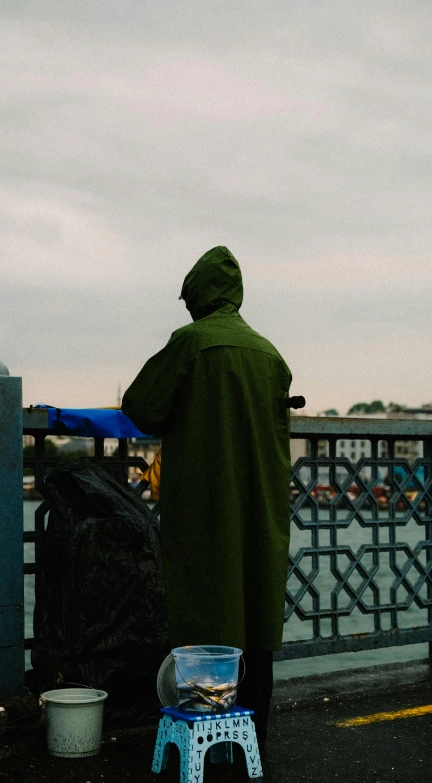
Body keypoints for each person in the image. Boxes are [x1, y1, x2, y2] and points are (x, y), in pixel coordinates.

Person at [122, 246, 292, 746]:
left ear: (198, 294)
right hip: (262, 503)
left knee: (204, 605)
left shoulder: (192, 343)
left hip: (205, 501)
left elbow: (141, 406)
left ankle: (207, 736)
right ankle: (253, 733)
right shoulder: (270, 354)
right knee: (256, 608)